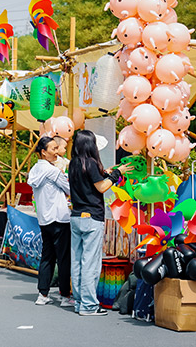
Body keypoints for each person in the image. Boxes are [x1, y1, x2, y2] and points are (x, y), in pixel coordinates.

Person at [68, 130, 132, 316]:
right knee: (90, 263)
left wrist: (106, 172)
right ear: (90, 144)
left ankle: (80, 302)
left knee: (78, 262)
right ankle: (88, 306)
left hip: (76, 217)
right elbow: (101, 187)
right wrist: (116, 174)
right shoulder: (91, 163)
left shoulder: (74, 163)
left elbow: (90, 181)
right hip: (91, 218)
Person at [27, 136, 73, 307]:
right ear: (43, 152)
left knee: (47, 257)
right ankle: (64, 295)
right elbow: (69, 188)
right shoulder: (53, 171)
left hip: (44, 219)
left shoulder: (35, 170)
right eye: (53, 149)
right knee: (63, 258)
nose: (56, 152)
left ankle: (43, 293)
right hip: (59, 218)